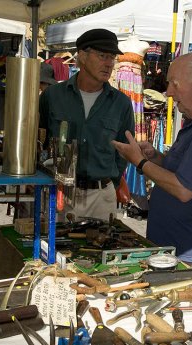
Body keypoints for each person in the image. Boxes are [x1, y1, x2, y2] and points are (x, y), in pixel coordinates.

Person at [112, 52, 192, 274]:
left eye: (174, 83)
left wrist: (141, 162)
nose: (169, 92)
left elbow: (184, 189)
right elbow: (186, 172)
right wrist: (155, 157)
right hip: (183, 250)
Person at [39, 29, 135, 222]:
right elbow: (40, 140)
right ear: (82, 55)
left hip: (101, 197)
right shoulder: (53, 96)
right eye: (102, 56)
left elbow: (124, 151)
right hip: (59, 193)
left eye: (112, 58)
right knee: (52, 250)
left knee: (99, 250)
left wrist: (111, 183)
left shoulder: (121, 103)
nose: (109, 63)